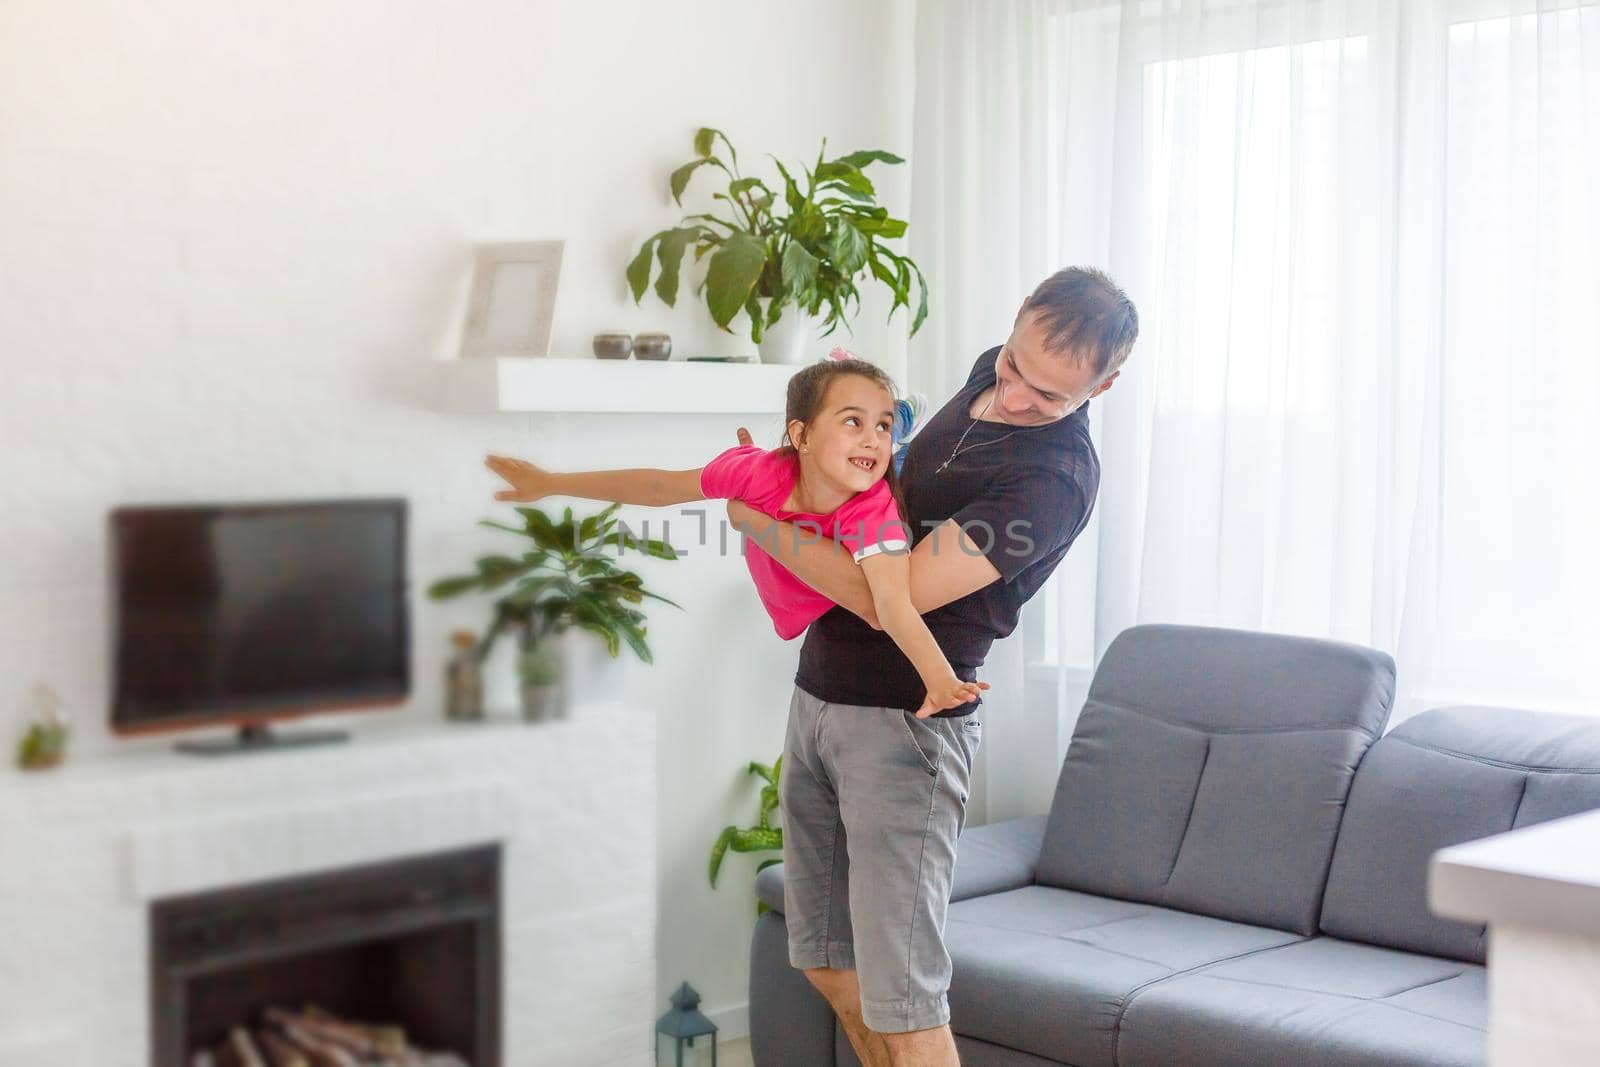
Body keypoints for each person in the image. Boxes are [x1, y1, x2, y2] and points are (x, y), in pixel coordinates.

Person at [726, 266, 1138, 1067]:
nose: (1018, 395)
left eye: (1051, 396)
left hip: (905, 729)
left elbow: (891, 598)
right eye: (1017, 366)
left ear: (1106, 385)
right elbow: (895, 503)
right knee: (826, 960)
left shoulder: (1053, 481)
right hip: (821, 693)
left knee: (905, 1000)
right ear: (1016, 318)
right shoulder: (995, 367)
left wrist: (761, 523)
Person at [482, 349, 989, 718]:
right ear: (801, 436)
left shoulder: (874, 512)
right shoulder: (757, 474)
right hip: (781, 470)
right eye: (854, 421)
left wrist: (941, 678)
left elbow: (892, 603)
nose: (871, 437)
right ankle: (893, 416)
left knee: (888, 470)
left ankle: (903, 423)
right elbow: (659, 486)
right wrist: (551, 483)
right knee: (793, 464)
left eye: (881, 426)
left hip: (847, 520)